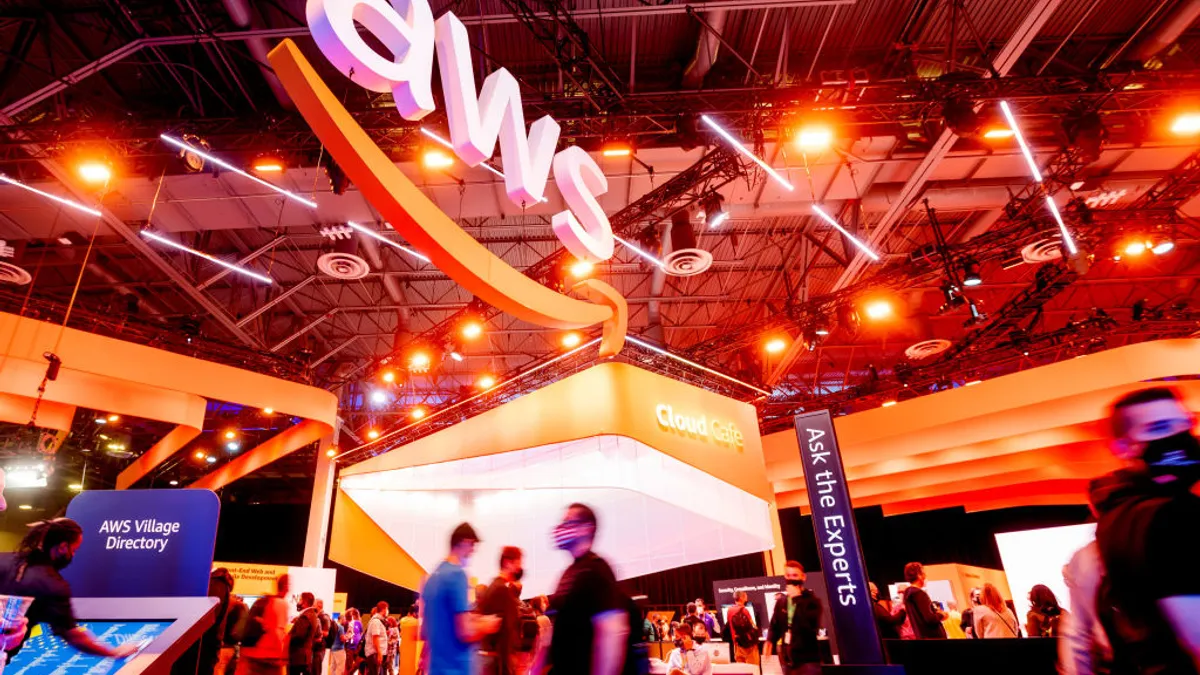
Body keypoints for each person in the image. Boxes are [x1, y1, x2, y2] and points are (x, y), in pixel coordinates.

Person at [1093, 387, 1200, 673]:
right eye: (1159, 428)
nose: (1179, 437)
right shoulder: (1174, 515)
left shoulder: (1116, 516)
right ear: (1122, 447)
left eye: (1185, 425)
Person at [0, 518, 138, 660]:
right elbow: (74, 636)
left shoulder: (2, 559)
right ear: (63, 547)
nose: (73, 555)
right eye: (74, 550)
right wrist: (113, 652)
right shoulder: (52, 585)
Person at [536, 503, 630, 675]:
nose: (561, 528)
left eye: (568, 522)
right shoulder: (570, 573)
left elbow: (611, 633)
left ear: (587, 528)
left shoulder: (597, 570)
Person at [421, 523, 501, 675]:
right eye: (472, 547)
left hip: (435, 668)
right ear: (464, 542)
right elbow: (465, 631)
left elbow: (425, 630)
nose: (472, 553)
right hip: (456, 668)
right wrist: (486, 625)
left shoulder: (431, 578)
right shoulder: (457, 575)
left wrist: (474, 619)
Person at [769, 560, 822, 675]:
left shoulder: (812, 601)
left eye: (795, 575)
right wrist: (769, 640)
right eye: (788, 575)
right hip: (787, 660)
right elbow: (775, 624)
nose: (791, 579)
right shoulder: (782, 601)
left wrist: (797, 599)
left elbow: (808, 628)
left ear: (803, 577)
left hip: (807, 661)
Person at [479, 546, 524, 675]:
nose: (519, 569)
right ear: (507, 563)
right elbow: (506, 632)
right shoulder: (502, 590)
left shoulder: (494, 587)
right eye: (518, 563)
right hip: (497, 663)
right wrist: (507, 669)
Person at [239, 574, 291, 675]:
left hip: (252, 653)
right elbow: (278, 632)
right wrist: (283, 655)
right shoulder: (281, 604)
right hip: (270, 656)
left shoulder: (265, 601)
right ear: (285, 587)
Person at [901, 563, 947, 639]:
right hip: (934, 638)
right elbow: (930, 619)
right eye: (923, 573)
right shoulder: (919, 593)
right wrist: (942, 614)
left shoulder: (907, 594)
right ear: (919, 575)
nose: (925, 576)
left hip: (923, 637)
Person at [217, 594, 249, 675]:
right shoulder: (241, 609)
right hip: (233, 646)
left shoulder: (225, 608)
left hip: (223, 646)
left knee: (219, 669)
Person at [289, 591, 320, 675]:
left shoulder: (305, 616)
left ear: (304, 602)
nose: (298, 602)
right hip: (304, 657)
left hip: (298, 658)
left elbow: (298, 636)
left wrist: (287, 638)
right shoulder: (313, 615)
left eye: (300, 599)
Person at [728, 591, 759, 665]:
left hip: (737, 643)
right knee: (753, 667)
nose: (746, 598)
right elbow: (753, 626)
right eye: (745, 596)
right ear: (741, 598)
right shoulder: (744, 610)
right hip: (749, 644)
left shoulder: (729, 610)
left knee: (741, 669)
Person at [363, 602, 389, 675]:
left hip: (376, 654)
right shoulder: (376, 621)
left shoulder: (378, 621)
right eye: (387, 609)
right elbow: (375, 638)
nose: (388, 612)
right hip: (375, 654)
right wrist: (379, 653)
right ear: (384, 609)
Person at [764, 592, 787, 657]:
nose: (776, 602)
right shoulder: (776, 613)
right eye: (776, 600)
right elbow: (774, 626)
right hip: (783, 646)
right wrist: (769, 640)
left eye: (778, 600)